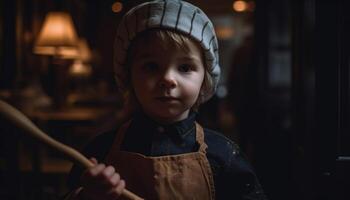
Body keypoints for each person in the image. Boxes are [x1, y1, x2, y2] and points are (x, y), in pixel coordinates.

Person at [65, 0, 267, 199]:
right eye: (151, 67)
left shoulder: (224, 155)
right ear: (129, 76)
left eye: (185, 68)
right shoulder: (100, 152)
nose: (168, 80)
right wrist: (87, 196)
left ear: (204, 79)